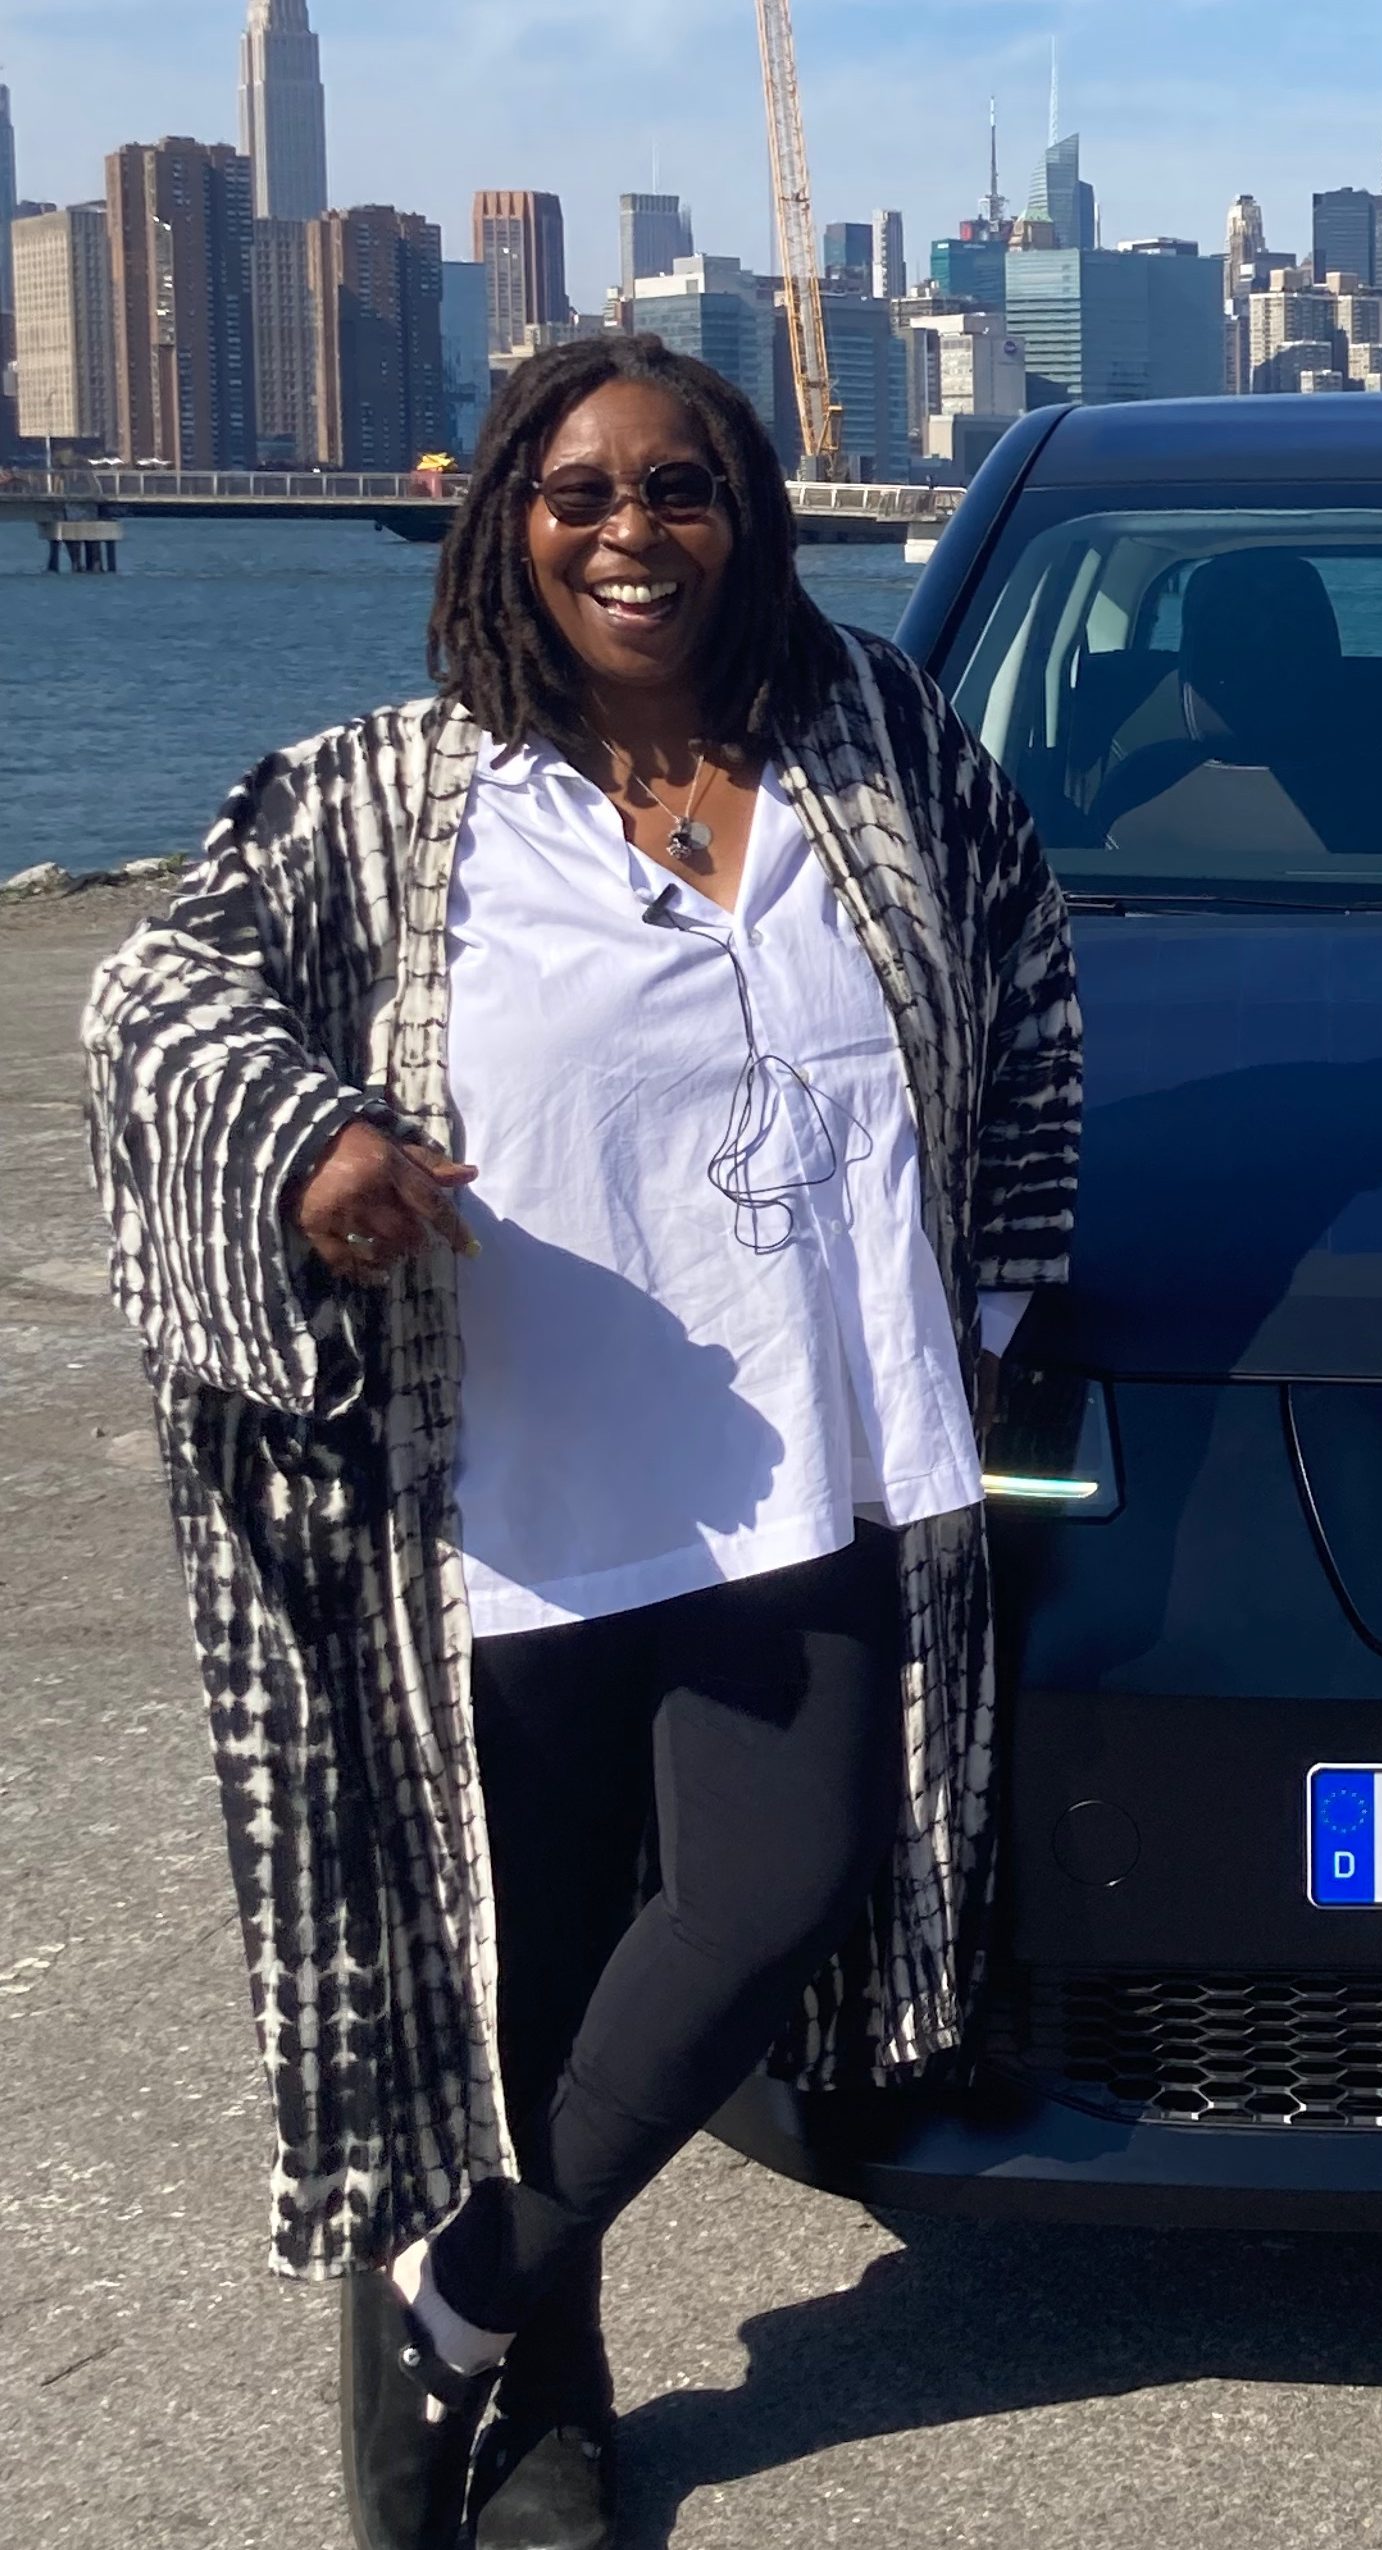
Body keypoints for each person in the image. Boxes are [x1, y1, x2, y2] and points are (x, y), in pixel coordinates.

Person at [82, 336, 1081, 2550]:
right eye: (581, 496)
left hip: (815, 1465)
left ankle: (454, 2289)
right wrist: (318, 1135)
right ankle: (548, 2400)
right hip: (510, 1495)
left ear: (750, 520)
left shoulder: (883, 751)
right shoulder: (385, 797)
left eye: (684, 490)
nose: (635, 532)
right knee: (523, 1963)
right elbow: (157, 996)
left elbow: (1026, 982)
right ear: (505, 532)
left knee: (767, 1887)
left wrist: (986, 1302)